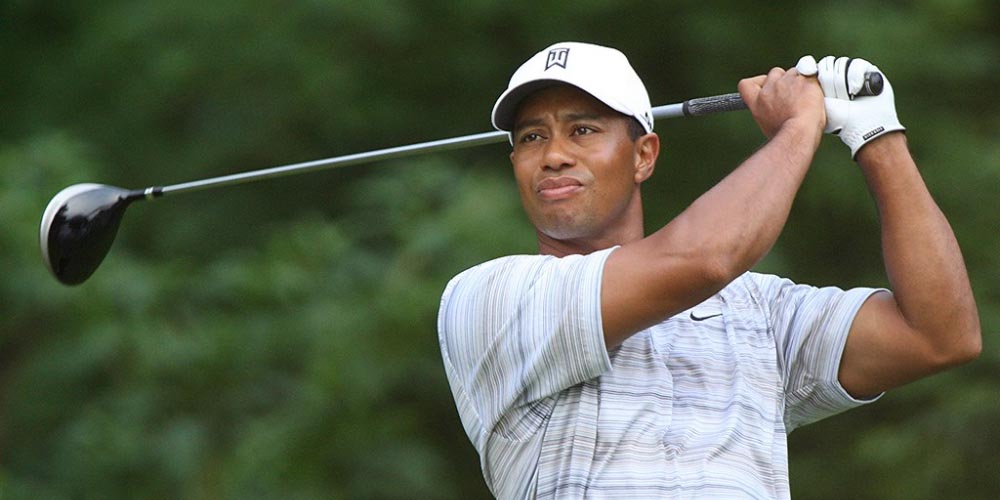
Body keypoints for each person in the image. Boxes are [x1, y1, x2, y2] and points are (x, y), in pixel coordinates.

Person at [437, 41, 980, 499]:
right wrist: (800, 126)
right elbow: (703, 259)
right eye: (532, 137)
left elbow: (939, 335)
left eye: (582, 130)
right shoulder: (487, 297)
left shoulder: (759, 310)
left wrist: (877, 135)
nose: (554, 155)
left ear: (644, 156)